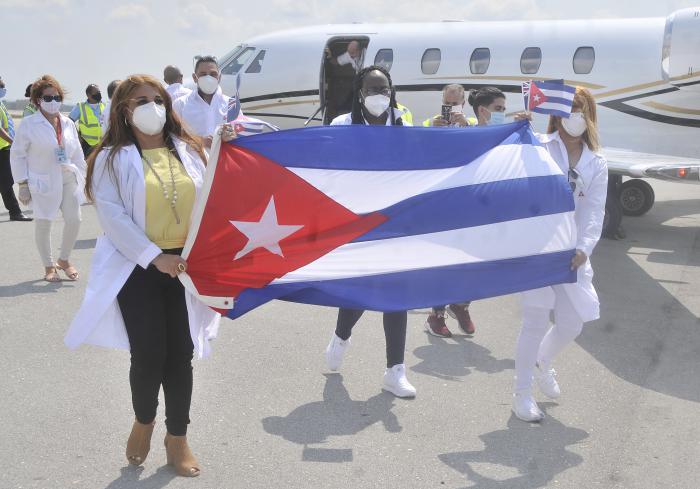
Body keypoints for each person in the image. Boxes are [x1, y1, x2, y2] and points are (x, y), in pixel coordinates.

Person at [65, 74, 234, 476]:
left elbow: (216, 190)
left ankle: (177, 438)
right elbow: (112, 215)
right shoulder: (109, 158)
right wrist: (153, 256)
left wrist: (229, 143)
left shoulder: (189, 149)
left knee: (181, 355)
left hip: (186, 266)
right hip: (136, 267)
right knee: (148, 354)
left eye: (157, 99)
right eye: (140, 100)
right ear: (124, 109)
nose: (151, 106)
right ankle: (144, 422)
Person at [512, 87, 607, 422]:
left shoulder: (598, 162)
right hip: (539, 250)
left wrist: (584, 248)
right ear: (557, 112)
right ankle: (521, 393)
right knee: (535, 320)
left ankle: (542, 360)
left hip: (574, 255)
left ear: (590, 116)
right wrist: (520, 130)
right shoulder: (539, 145)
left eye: (582, 110)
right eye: (570, 109)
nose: (576, 116)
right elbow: (513, 169)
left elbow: (595, 210)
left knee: (572, 323)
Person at [326, 65, 416, 398]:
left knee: (396, 292)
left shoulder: (404, 124)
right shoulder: (342, 125)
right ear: (359, 92)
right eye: (372, 89)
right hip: (355, 221)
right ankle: (341, 335)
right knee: (360, 290)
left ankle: (395, 370)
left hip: (394, 221)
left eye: (384, 89)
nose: (379, 96)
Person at [423, 87, 507, 338]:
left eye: (455, 104)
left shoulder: (472, 126)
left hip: (481, 210)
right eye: (446, 104)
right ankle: (435, 315)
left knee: (479, 263)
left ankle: (460, 305)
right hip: (450, 207)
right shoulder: (431, 124)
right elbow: (422, 155)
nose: (451, 109)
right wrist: (434, 133)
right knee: (446, 263)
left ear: (463, 104)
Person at [11, 75, 85, 281]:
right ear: (37, 100)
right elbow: (17, 154)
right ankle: (48, 266)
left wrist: (83, 176)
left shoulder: (68, 123)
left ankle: (64, 259)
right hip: (43, 179)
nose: (53, 101)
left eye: (56, 97)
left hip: (68, 177)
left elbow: (77, 152)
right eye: (48, 98)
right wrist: (23, 183)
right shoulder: (28, 124)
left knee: (75, 219)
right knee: (44, 223)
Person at [172, 56, 229, 150]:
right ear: (195, 77)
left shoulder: (231, 105)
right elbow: (172, 137)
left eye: (213, 74)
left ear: (219, 77)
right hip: (194, 163)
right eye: (203, 74)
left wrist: (232, 134)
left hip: (224, 162)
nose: (208, 77)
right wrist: (200, 141)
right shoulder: (180, 105)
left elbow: (241, 133)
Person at [0, 76, 32, 222]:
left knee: (5, 181)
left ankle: (14, 211)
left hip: (4, 147)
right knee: (6, 181)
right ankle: (15, 212)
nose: (3, 89)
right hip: (3, 148)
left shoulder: (1, 104)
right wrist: (13, 142)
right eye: (1, 86)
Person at [69, 83, 105, 156]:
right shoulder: (80, 107)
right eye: (96, 93)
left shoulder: (104, 106)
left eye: (99, 92)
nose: (99, 94)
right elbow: (69, 122)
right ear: (89, 95)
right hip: (87, 145)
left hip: (102, 144)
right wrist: (77, 136)